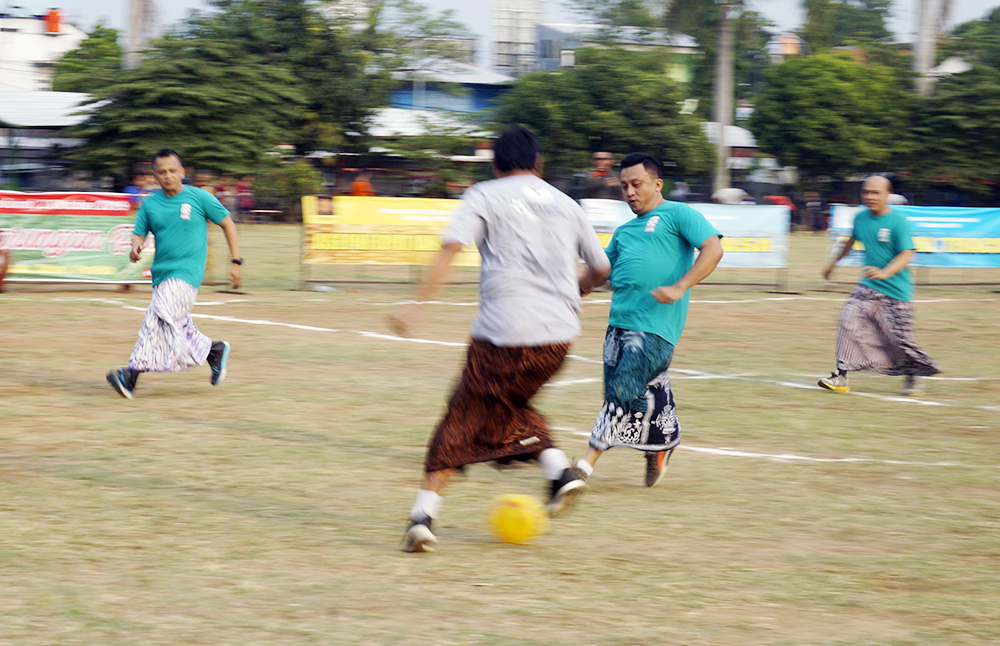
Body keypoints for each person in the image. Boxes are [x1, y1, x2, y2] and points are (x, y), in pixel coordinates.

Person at [389, 125, 610, 553]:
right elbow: (601, 269)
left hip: (503, 334)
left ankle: (422, 517)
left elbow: (452, 246)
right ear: (538, 163)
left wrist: (417, 305)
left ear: (495, 163)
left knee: (462, 417)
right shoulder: (567, 204)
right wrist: (575, 288)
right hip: (558, 339)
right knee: (504, 409)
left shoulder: (484, 194)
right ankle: (557, 471)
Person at [575, 153, 724, 488]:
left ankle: (583, 467)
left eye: (636, 184)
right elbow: (598, 273)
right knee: (637, 398)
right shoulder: (625, 231)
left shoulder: (677, 213)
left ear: (657, 184)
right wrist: (569, 287)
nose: (629, 191)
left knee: (620, 393)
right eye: (624, 185)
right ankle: (662, 443)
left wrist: (679, 286)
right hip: (618, 326)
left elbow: (712, 249)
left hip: (655, 329)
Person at [106, 149, 244, 400]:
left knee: (155, 318)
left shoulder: (199, 198)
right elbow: (139, 232)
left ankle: (131, 376)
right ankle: (214, 351)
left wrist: (236, 262)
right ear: (155, 176)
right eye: (162, 172)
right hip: (161, 275)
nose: (168, 176)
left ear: (182, 172)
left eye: (172, 170)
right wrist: (135, 245)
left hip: (187, 274)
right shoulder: (150, 204)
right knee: (177, 326)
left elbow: (228, 223)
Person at [818, 176, 939, 396]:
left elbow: (907, 254)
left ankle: (912, 377)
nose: (870, 197)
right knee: (848, 319)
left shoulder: (898, 220)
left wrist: (885, 272)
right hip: (869, 285)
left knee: (899, 340)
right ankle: (840, 376)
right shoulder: (860, 218)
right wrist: (832, 264)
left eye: (876, 192)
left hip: (897, 291)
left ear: (887, 195)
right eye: (866, 192)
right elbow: (850, 241)